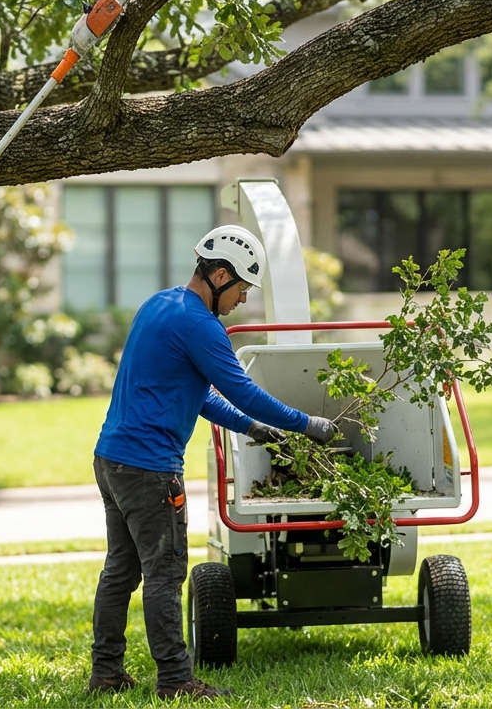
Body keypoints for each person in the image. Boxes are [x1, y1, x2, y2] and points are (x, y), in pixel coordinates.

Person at [87, 225, 340, 700]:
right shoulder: (200, 326)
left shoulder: (160, 305)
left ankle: (106, 672)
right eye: (242, 288)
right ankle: (176, 680)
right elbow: (242, 391)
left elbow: (197, 395)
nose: (243, 300)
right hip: (150, 469)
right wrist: (307, 423)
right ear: (220, 275)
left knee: (120, 569)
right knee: (165, 573)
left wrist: (252, 428)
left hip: (111, 459)